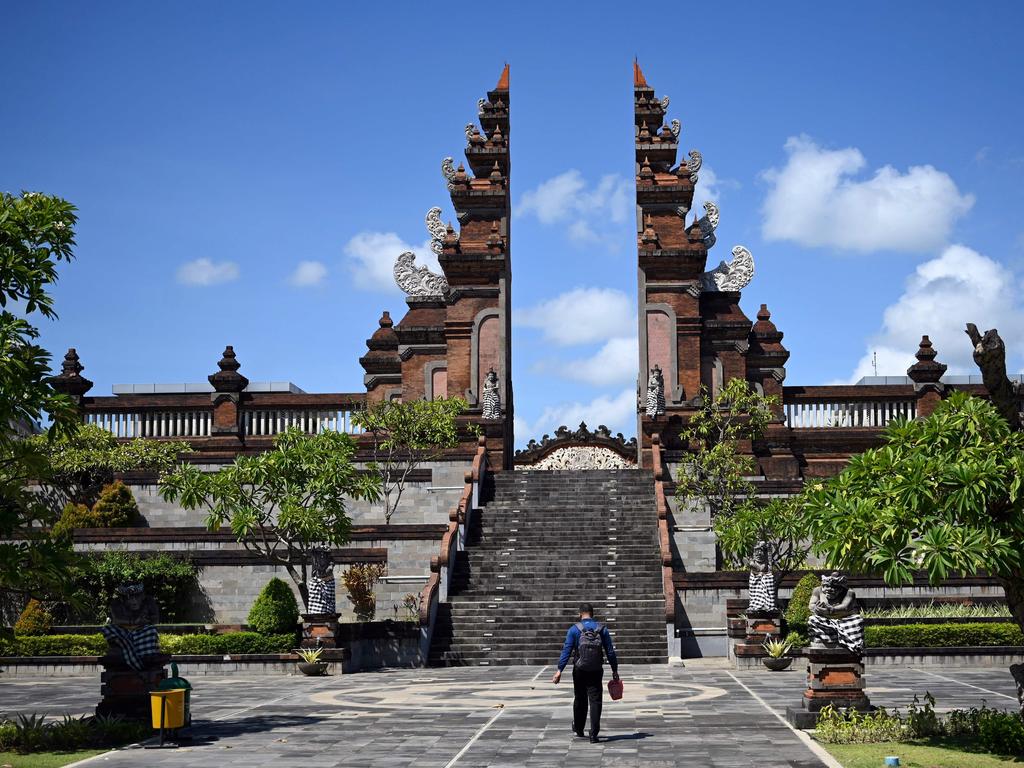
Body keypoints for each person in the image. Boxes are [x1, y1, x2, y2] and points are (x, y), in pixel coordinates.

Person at [551, 603, 619, 743]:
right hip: (595, 669)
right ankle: (594, 734)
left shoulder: (574, 630)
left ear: (580, 614)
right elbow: (610, 651)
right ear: (592, 614)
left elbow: (567, 651)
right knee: (595, 701)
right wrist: (614, 669)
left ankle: (579, 728)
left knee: (580, 699)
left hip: (579, 669)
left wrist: (559, 670)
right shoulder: (602, 629)